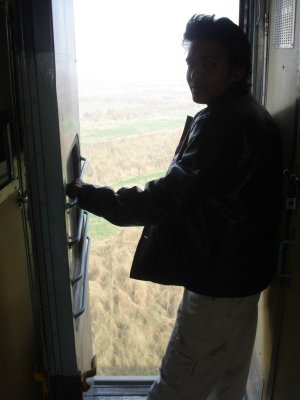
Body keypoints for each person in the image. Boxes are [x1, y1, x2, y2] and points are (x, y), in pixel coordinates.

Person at [67, 14, 282, 400]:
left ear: (236, 71)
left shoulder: (223, 122)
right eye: (191, 63)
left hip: (217, 290)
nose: (195, 74)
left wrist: (90, 196)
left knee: (175, 389)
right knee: (226, 388)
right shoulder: (251, 113)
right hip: (243, 283)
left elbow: (166, 198)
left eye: (209, 63)